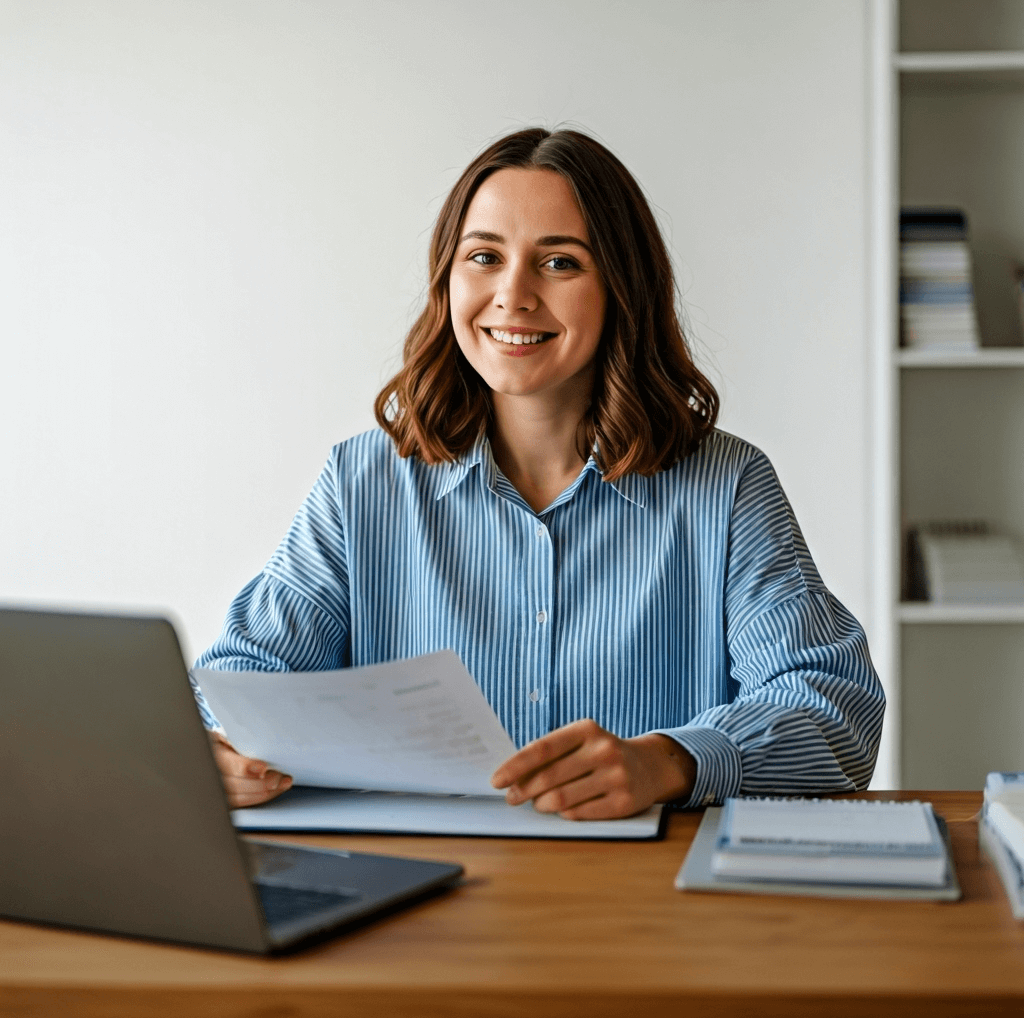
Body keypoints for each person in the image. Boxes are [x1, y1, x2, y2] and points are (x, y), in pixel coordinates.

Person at [194, 127, 884, 817]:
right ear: (448, 279)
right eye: (485, 257)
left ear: (622, 286)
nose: (514, 295)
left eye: (558, 263)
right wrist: (218, 747)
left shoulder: (729, 488)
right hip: (420, 895)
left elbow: (834, 711)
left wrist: (668, 762)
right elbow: (241, 678)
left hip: (648, 902)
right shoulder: (360, 483)